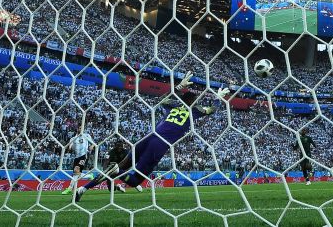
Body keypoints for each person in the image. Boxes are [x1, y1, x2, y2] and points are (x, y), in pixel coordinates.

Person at [74, 72, 229, 202]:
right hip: (159, 144)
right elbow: (211, 110)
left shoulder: (172, 106)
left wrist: (178, 87)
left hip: (148, 137)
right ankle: (116, 172)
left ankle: (83, 188)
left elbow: (161, 99)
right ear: (193, 102)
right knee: (135, 180)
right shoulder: (194, 110)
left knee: (122, 165)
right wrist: (218, 98)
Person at [62, 127, 94, 195]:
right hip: (76, 157)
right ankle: (88, 176)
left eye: (82, 128)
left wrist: (92, 146)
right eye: (79, 128)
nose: (81, 129)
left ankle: (69, 188)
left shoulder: (87, 136)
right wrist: (70, 148)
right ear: (77, 129)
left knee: (76, 171)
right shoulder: (73, 139)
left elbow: (93, 143)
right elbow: (70, 148)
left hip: (83, 156)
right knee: (76, 174)